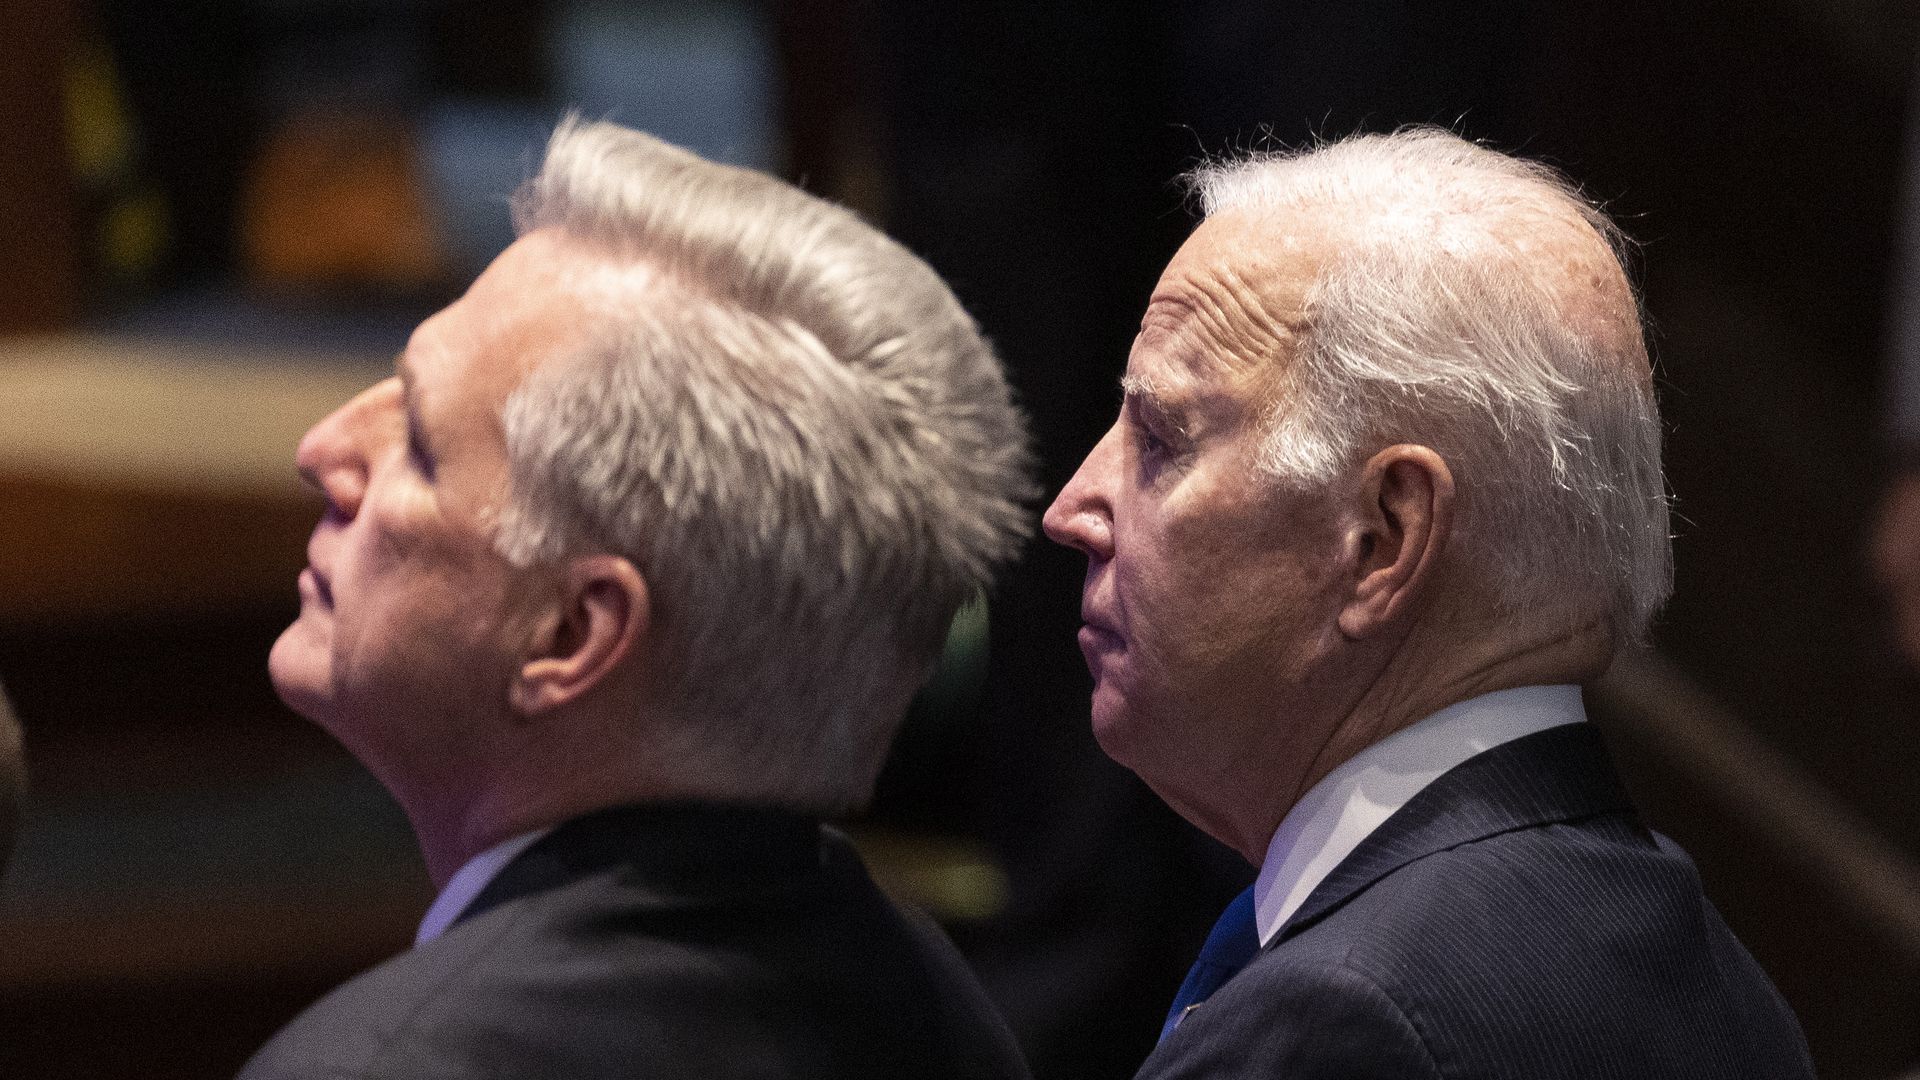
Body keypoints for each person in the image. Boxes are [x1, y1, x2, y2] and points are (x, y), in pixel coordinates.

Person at [240, 118, 1035, 1080]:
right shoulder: (947, 1015)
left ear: (569, 634)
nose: (322, 449)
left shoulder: (383, 1067)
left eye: (417, 441)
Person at [1043, 128, 1815, 1079]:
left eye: (1160, 438)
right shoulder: (1734, 991)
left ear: (1382, 539)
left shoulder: (1342, 1027)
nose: (1071, 507)